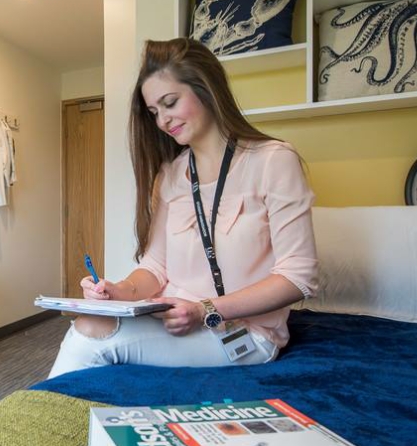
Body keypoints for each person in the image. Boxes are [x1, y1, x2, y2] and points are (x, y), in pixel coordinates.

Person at [48, 38, 319, 378]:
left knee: (92, 335)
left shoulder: (273, 161)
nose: (162, 121)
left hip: (244, 333)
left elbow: (298, 277)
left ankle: (41, 424)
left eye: (170, 103)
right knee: (92, 321)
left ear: (206, 88)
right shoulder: (172, 174)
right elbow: (156, 266)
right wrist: (119, 292)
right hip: (170, 319)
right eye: (154, 112)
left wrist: (205, 309)